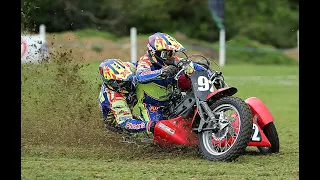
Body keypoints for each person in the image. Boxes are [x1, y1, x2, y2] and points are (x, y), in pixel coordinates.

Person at [135, 32, 212, 134]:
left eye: (172, 53)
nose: (170, 56)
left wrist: (210, 73)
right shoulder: (145, 61)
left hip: (170, 101)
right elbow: (140, 76)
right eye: (166, 53)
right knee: (157, 132)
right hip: (151, 105)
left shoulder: (172, 60)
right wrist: (162, 72)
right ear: (154, 52)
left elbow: (192, 65)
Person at [98, 58, 151, 133]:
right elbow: (126, 123)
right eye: (121, 81)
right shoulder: (114, 99)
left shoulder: (128, 67)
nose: (126, 82)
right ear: (111, 83)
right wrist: (149, 125)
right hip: (115, 120)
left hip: (127, 106)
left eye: (127, 77)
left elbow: (142, 63)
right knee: (137, 134)